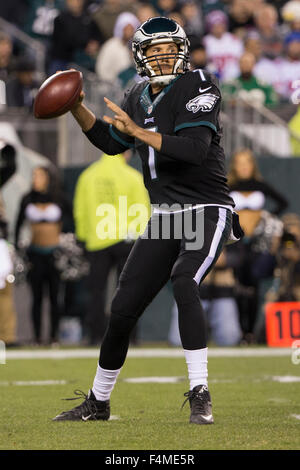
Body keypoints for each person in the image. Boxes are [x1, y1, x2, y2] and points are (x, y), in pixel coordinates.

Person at [53, 16, 238, 425]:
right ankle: (98, 402)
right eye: (153, 50)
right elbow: (109, 141)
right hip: (166, 216)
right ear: (140, 57)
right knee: (122, 308)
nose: (162, 55)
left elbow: (192, 149)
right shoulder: (137, 93)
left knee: (185, 279)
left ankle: (200, 393)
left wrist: (137, 130)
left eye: (169, 48)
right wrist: (76, 108)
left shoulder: (199, 83)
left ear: (183, 51)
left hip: (207, 207)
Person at [73, 149, 150, 345]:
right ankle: (129, 336)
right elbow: (142, 211)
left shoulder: (88, 175)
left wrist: (83, 237)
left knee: (96, 291)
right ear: (125, 153)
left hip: (97, 240)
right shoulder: (132, 177)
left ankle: (95, 336)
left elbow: (80, 210)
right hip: (125, 241)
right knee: (128, 290)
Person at [15, 166, 72, 345]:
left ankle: (54, 336)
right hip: (35, 253)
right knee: (37, 297)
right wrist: (19, 249)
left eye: (39, 175)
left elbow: (71, 221)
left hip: (55, 254)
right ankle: (38, 336)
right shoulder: (27, 199)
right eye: (34, 175)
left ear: (48, 178)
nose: (35, 179)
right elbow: (18, 225)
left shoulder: (59, 198)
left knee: (55, 297)